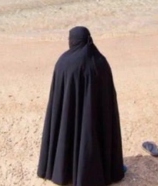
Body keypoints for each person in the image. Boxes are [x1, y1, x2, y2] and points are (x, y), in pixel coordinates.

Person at [38, 26, 125, 186]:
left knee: (66, 126)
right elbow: (108, 102)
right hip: (94, 117)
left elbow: (58, 101)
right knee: (92, 130)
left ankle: (64, 168)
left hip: (68, 114)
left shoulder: (64, 62)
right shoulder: (100, 62)